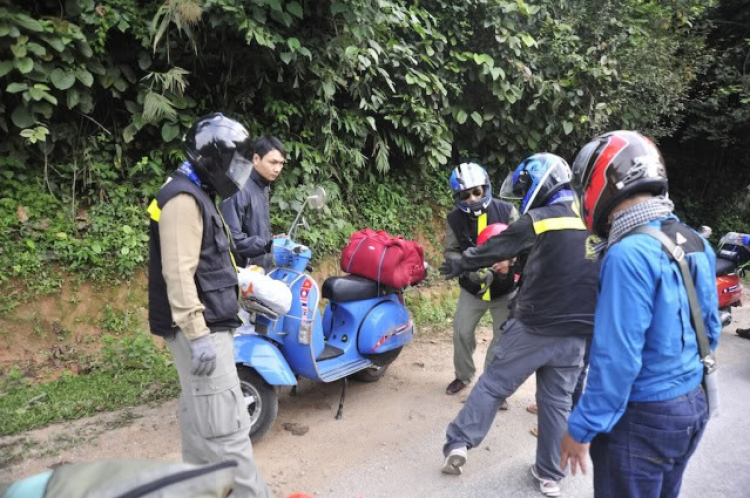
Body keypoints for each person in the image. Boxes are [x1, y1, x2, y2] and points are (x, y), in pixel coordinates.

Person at [561, 130, 721, 498]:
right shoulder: (694, 239)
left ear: (602, 182)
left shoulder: (627, 254)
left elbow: (616, 359)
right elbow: (709, 331)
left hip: (643, 419)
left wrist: (581, 428)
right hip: (691, 406)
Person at [439, 153, 600, 497]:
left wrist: (461, 263)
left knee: (494, 385)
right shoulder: (596, 218)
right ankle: (549, 476)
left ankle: (459, 443)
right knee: (557, 403)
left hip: (535, 324)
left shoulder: (539, 219)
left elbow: (498, 246)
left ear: (542, 181)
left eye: (525, 184)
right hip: (577, 334)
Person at [148, 112, 271, 498]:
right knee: (228, 432)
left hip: (201, 325)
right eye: (234, 162)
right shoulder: (184, 198)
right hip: (201, 331)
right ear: (213, 158)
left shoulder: (190, 189)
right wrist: (197, 333)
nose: (238, 172)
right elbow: (179, 273)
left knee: (201, 427)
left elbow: (203, 262)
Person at [443, 162, 519, 399]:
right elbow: (451, 251)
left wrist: (509, 261)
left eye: (477, 192)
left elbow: (523, 244)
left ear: (486, 188)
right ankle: (463, 375)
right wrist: (467, 267)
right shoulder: (454, 219)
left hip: (504, 289)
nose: (472, 199)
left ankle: (493, 388)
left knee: (502, 339)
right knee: (461, 332)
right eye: (465, 195)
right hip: (472, 288)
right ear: (458, 196)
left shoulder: (507, 211)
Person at [221, 136, 287, 271]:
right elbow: (230, 237)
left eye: (281, 163)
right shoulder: (238, 188)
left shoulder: (262, 185)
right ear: (256, 159)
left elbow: (252, 228)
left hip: (259, 271)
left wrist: (272, 240)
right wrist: (265, 245)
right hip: (241, 274)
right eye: (273, 162)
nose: (277, 169)